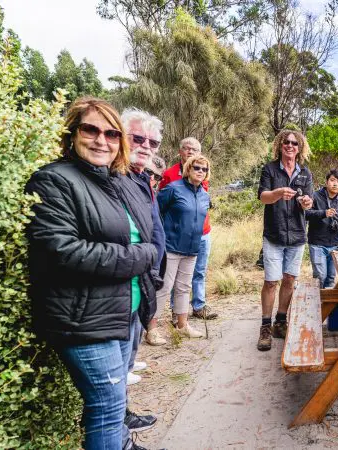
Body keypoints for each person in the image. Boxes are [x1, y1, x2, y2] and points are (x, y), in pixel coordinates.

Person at [25, 97, 158, 450]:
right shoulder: (53, 180)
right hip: (83, 318)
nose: (102, 140)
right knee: (107, 406)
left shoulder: (110, 180)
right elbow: (61, 251)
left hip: (117, 310)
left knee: (113, 406)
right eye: (91, 129)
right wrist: (140, 257)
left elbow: (138, 233)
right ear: (72, 133)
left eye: (112, 134)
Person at [119, 108, 166, 433]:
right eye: (137, 138)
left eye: (153, 141)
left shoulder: (138, 178)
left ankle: (123, 416)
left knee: (127, 358)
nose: (146, 146)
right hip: (122, 289)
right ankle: (118, 423)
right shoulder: (114, 178)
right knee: (113, 378)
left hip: (143, 284)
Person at [256, 130, 314, 351]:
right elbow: (263, 197)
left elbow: (307, 203)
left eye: (294, 143)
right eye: (286, 142)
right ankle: (265, 327)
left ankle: (281, 321)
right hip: (274, 234)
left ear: (299, 148)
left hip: (297, 236)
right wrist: (278, 192)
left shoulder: (305, 173)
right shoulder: (270, 169)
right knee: (271, 281)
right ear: (280, 146)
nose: (290, 146)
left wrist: (307, 202)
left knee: (289, 280)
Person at [149, 154, 212, 344]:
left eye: (204, 169)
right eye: (197, 168)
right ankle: (151, 329)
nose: (200, 172)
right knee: (164, 287)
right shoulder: (172, 189)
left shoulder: (204, 195)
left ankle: (182, 326)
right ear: (188, 169)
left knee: (184, 287)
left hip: (192, 248)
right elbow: (155, 213)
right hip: (170, 247)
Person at [159, 138, 218, 320]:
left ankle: (198, 306)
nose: (191, 151)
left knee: (199, 271)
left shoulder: (202, 175)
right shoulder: (170, 175)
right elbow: (161, 208)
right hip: (175, 237)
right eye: (187, 148)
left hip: (201, 233)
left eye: (195, 149)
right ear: (180, 151)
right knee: (171, 278)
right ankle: (172, 311)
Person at [306, 169, 338, 288]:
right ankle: (317, 304)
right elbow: (306, 214)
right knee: (320, 277)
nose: (335, 184)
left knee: (331, 279)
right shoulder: (315, 196)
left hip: (334, 246)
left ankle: (327, 306)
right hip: (317, 244)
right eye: (332, 180)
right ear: (326, 182)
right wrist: (324, 213)